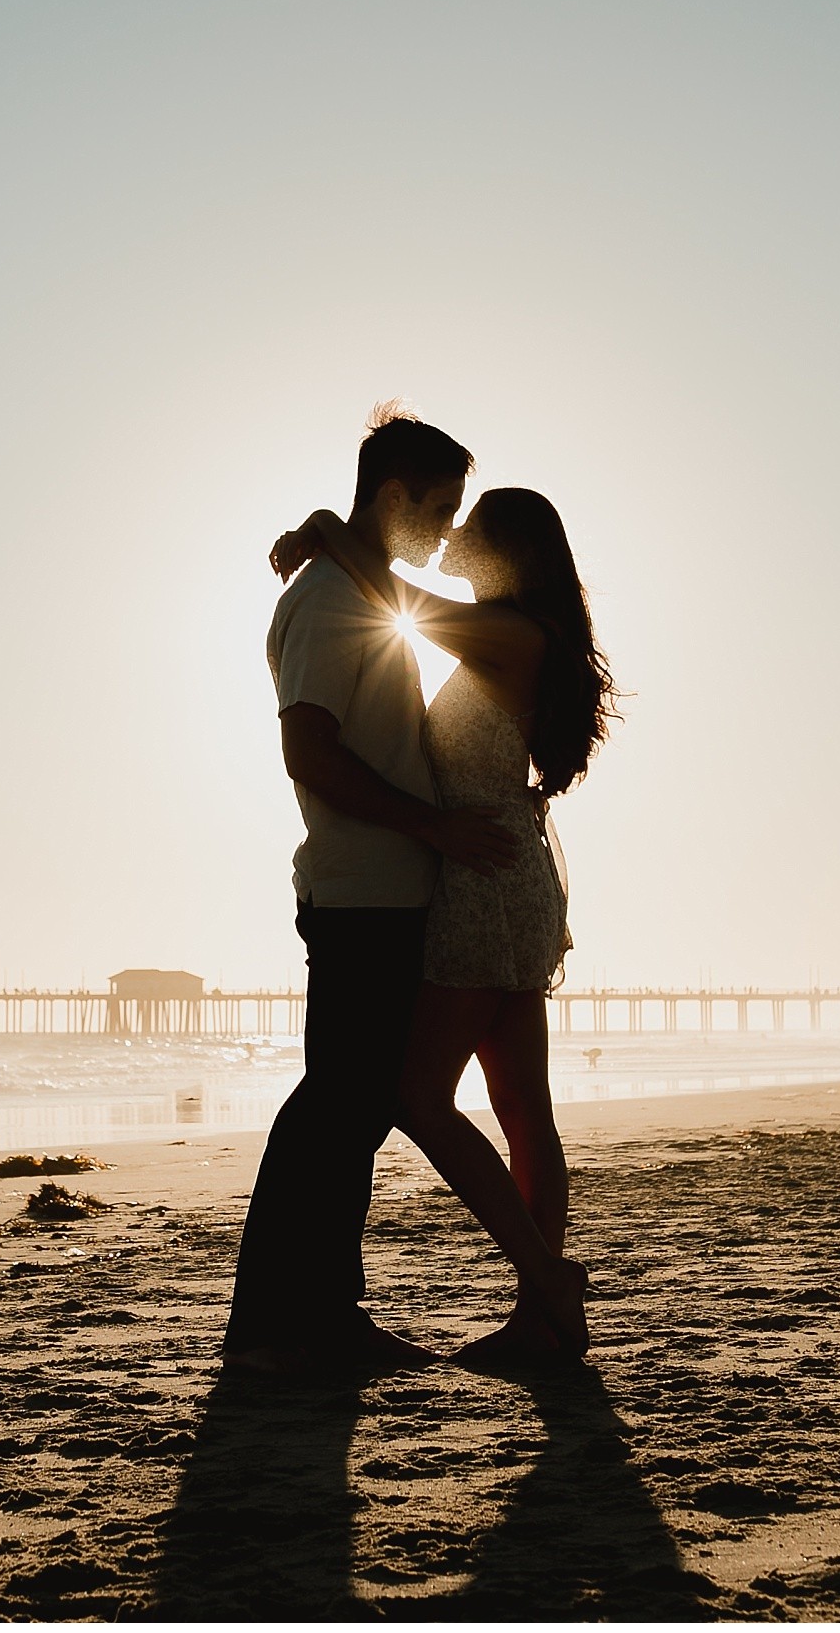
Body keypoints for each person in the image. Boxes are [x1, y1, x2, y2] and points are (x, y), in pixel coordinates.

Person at [271, 486, 617, 1362]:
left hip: (483, 881)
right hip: (505, 870)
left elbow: (401, 607)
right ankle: (542, 1324)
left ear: (505, 549)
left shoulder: (510, 635)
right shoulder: (518, 633)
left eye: (470, 524)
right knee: (520, 1109)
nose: (451, 533)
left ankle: (546, 1280)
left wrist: (324, 531)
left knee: (421, 1099)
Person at [223, 405, 520, 1377]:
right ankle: (285, 1324)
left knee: (346, 1108)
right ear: (391, 495)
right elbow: (308, 752)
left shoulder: (355, 585)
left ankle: (313, 1318)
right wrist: (433, 826)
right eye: (436, 511)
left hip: (387, 891)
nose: (442, 535)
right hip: (359, 894)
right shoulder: (325, 600)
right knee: (334, 1107)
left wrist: (324, 532)